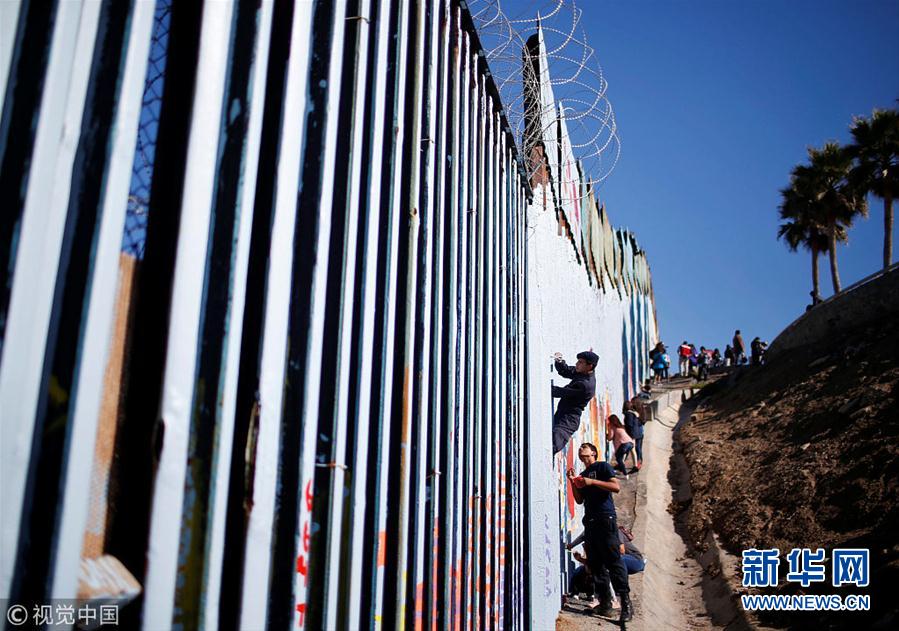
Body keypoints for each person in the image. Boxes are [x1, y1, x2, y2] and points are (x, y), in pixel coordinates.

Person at [567, 443, 633, 621]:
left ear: (593, 453)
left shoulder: (602, 467)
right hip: (591, 522)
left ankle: (626, 604)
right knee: (596, 564)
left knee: (613, 560)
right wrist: (573, 481)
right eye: (580, 450)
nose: (581, 451)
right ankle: (605, 603)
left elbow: (615, 487)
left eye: (585, 449)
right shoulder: (583, 474)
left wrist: (592, 482)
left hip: (605, 519)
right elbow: (579, 500)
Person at [551, 351, 598, 453]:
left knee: (552, 446)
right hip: (563, 414)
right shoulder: (583, 373)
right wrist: (559, 361)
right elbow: (566, 371)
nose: (577, 364)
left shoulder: (585, 385)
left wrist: (541, 387)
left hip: (568, 420)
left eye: (580, 362)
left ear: (590, 366)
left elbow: (562, 392)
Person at [622, 402, 644, 471]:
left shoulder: (628, 414)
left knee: (631, 449)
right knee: (632, 449)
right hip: (637, 433)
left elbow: (629, 425)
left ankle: (635, 465)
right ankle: (636, 464)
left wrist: (624, 429)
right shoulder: (634, 413)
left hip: (632, 434)